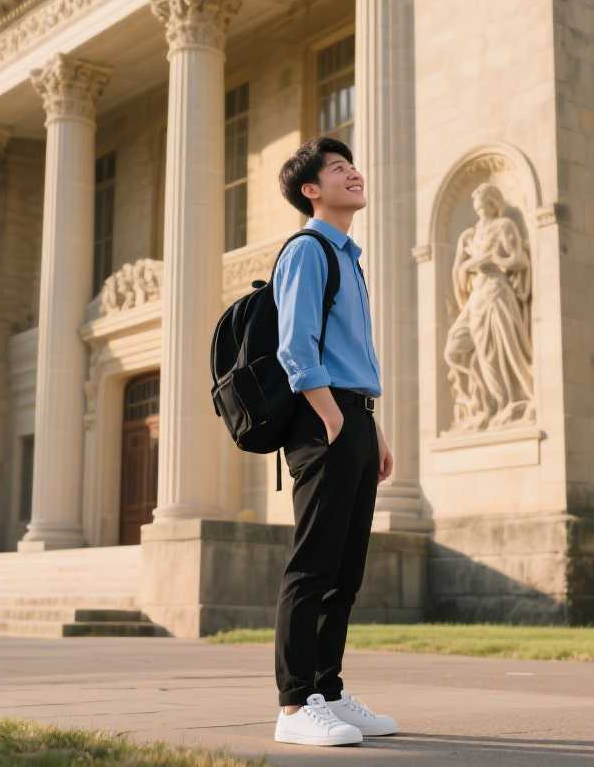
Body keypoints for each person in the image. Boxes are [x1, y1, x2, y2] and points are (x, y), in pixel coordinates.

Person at [269, 136, 399, 747]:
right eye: (338, 169)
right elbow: (295, 347)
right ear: (311, 190)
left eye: (353, 166)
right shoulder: (307, 250)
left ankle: (330, 690)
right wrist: (335, 418)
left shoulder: (350, 258)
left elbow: (356, 356)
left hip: (354, 416)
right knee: (313, 563)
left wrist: (373, 425)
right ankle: (295, 706)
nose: (354, 174)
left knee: (346, 568)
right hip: (324, 420)